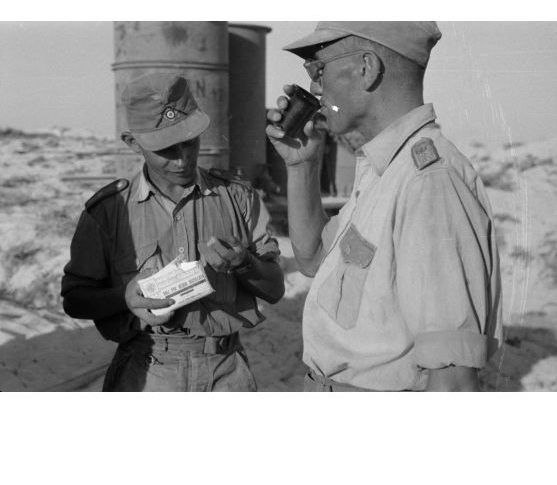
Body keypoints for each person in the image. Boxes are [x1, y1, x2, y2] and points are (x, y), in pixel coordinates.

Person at [266, 22, 502, 392]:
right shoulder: (384, 169)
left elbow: (453, 379)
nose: (314, 87)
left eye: (319, 69)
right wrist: (302, 166)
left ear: (367, 68)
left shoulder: (428, 182)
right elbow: (312, 258)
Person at [62, 73, 284, 392]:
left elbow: (274, 289)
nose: (183, 159)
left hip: (226, 373)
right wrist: (124, 297)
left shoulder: (238, 198)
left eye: (190, 142)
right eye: (166, 149)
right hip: (148, 371)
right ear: (132, 143)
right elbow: (75, 301)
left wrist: (244, 264)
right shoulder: (109, 211)